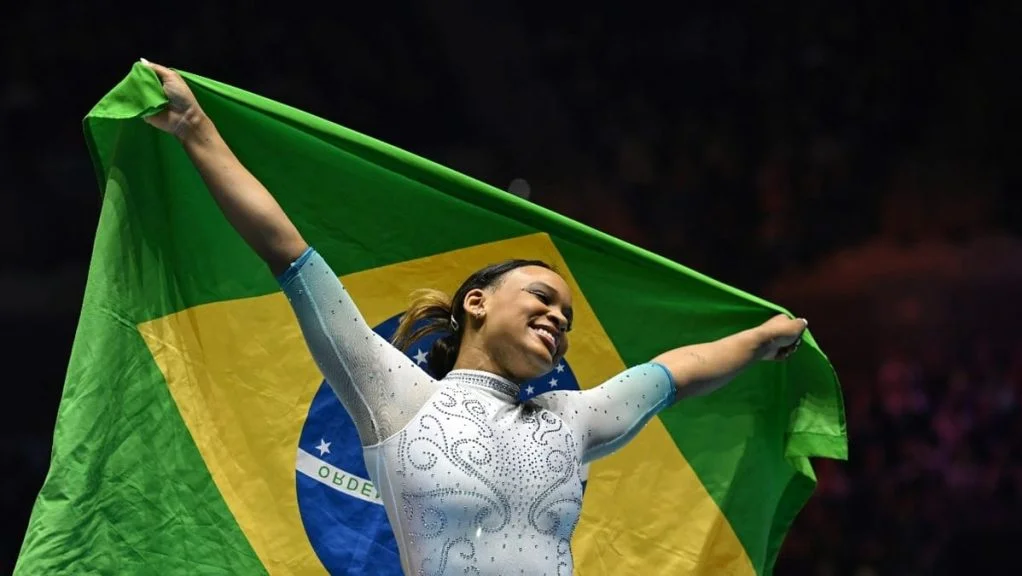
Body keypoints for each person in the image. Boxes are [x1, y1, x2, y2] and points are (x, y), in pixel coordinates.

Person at [140, 59, 808, 576]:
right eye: (542, 298)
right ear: (477, 302)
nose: (558, 318)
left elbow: (676, 374)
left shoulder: (571, 420)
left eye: (568, 317)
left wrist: (760, 339)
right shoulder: (394, 398)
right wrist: (197, 129)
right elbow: (289, 254)